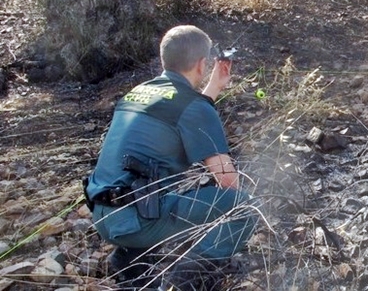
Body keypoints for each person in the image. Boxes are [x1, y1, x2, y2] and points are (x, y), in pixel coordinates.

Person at [83, 25, 257, 290]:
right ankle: (187, 280)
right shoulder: (194, 108)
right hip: (136, 221)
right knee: (243, 207)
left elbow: (183, 110)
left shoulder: (140, 92)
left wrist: (214, 86)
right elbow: (228, 181)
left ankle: (132, 262)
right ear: (201, 64)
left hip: (104, 214)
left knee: (162, 195)